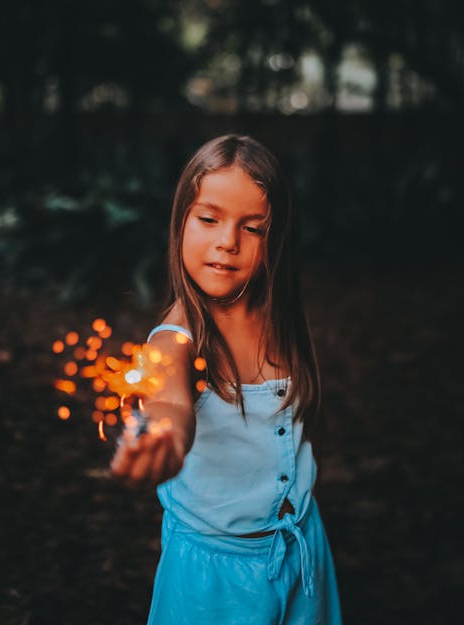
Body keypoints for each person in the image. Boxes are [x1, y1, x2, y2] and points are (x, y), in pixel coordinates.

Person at [111, 134, 342, 625]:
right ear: (181, 224)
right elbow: (169, 401)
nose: (227, 242)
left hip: (302, 555)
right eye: (209, 219)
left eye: (252, 228)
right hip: (213, 581)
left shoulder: (278, 315)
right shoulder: (175, 340)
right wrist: (164, 437)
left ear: (274, 239)